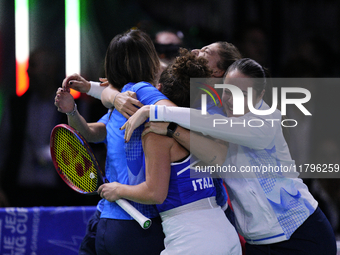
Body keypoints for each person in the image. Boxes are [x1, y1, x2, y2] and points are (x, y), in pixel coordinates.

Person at [121, 58, 337, 255]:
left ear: (260, 96)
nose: (233, 99)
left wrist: (154, 113)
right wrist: (123, 94)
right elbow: (174, 84)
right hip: (257, 243)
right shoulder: (213, 113)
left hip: (302, 233)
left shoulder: (266, 120)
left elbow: (211, 124)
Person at [97, 49, 242, 254]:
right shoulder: (203, 127)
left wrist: (117, 189)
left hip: (193, 239)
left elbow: (155, 192)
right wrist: (95, 89)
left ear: (159, 89)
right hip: (226, 232)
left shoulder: (156, 132)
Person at [55, 28, 177, 255]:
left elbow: (176, 113)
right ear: (149, 59)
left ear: (110, 64)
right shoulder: (121, 102)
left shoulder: (139, 92)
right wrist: (72, 112)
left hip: (134, 219)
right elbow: (93, 133)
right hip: (110, 216)